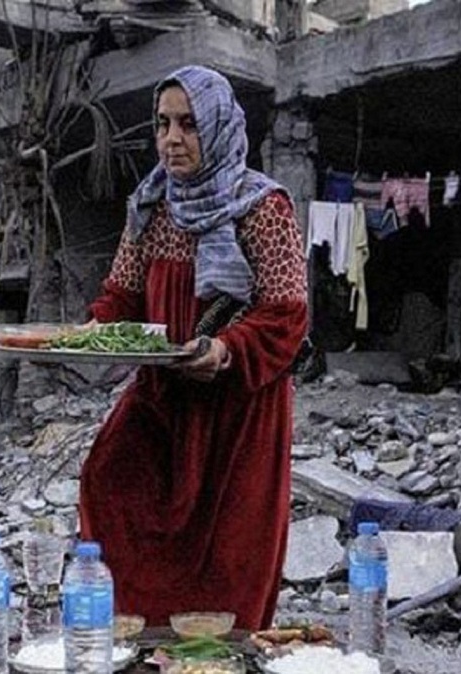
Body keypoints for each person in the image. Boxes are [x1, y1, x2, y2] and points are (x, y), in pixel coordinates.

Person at [80, 65, 308, 630]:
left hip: (237, 413)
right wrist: (91, 331)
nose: (172, 139)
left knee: (228, 556)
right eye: (162, 124)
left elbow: (287, 314)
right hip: (163, 399)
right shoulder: (151, 205)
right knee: (108, 479)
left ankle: (215, 661)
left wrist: (226, 349)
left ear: (220, 126)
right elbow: (122, 295)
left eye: (188, 124)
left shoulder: (261, 206)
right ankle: (144, 644)